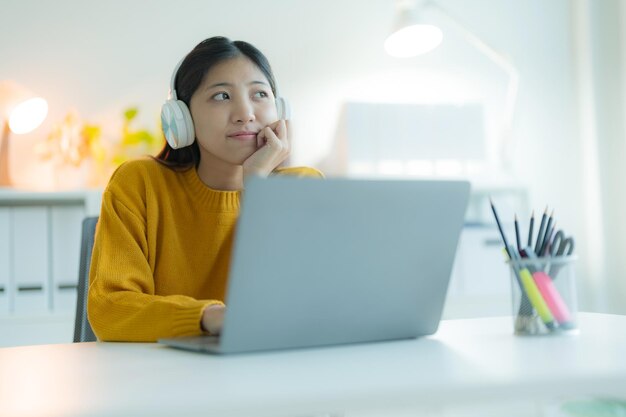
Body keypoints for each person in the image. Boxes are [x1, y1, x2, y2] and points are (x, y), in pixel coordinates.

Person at [87, 36, 323, 342]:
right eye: (222, 96)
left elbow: (306, 304)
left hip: (272, 372)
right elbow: (109, 308)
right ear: (181, 117)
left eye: (260, 94)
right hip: (160, 376)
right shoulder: (140, 184)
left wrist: (258, 190)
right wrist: (208, 317)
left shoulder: (302, 187)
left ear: (279, 111)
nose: (246, 113)